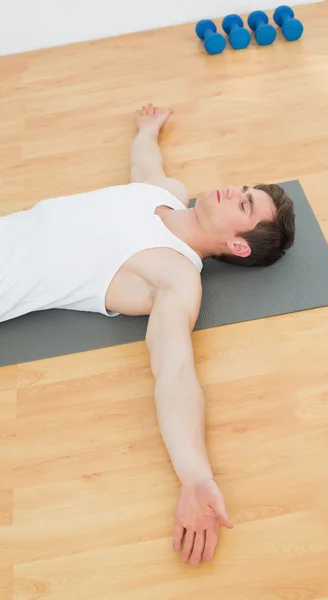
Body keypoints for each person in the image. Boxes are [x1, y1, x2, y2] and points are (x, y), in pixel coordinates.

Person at [0, 103, 295, 565]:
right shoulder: (167, 192)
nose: (230, 190)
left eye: (243, 203)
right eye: (243, 189)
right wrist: (149, 129)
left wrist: (194, 476)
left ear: (239, 245)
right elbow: (144, 164)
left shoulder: (174, 277)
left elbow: (175, 373)